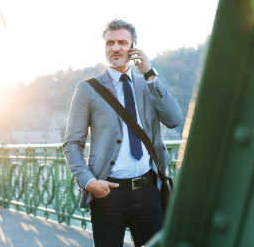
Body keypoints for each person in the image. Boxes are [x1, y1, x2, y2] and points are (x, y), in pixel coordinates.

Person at [63, 19, 183, 247]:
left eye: (122, 42)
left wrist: (150, 74)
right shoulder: (87, 89)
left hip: (149, 190)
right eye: (110, 43)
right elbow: (71, 144)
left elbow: (174, 119)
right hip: (108, 193)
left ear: (133, 47)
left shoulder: (148, 84)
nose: (115, 48)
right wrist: (88, 182)